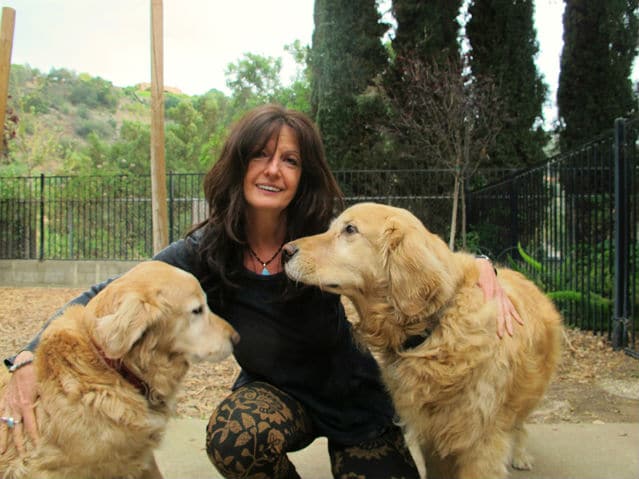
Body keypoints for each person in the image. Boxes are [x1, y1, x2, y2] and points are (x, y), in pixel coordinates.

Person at [1, 104, 521, 479]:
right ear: (240, 164)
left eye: (290, 160)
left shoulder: (328, 237)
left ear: (303, 174)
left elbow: (409, 255)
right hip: (275, 398)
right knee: (233, 435)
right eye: (261, 155)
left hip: (355, 404)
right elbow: (104, 294)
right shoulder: (208, 252)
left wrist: (477, 267)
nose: (274, 169)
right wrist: (25, 359)